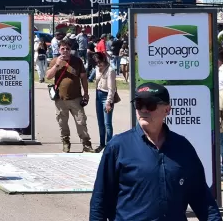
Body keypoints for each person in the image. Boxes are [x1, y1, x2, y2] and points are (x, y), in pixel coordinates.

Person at [90, 82, 221, 221]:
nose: (144, 110)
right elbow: (100, 201)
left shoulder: (183, 148)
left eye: (150, 105)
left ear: (167, 110)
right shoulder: (118, 146)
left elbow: (202, 200)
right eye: (139, 104)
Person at [45, 39, 92, 153]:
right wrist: (57, 65)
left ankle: (86, 144)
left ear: (70, 50)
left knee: (81, 122)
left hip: (76, 97)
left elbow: (84, 78)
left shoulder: (77, 61)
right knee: (62, 122)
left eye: (67, 49)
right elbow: (48, 76)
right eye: (63, 49)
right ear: (59, 49)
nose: (65, 51)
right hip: (60, 99)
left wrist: (85, 93)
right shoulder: (55, 61)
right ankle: (66, 142)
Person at [93, 52, 116, 152]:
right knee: (100, 122)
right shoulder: (97, 69)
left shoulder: (110, 70)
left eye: (100, 62)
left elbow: (112, 89)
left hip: (106, 96)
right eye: (96, 62)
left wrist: (109, 102)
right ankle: (102, 144)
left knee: (107, 123)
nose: (98, 64)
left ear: (104, 60)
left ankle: (109, 146)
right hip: (98, 95)